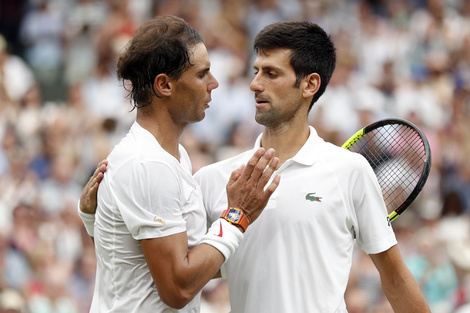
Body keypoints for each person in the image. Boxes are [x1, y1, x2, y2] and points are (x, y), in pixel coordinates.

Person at [81, 20, 430, 312]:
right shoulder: (213, 180)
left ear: (310, 84)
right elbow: (171, 268)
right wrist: (100, 215)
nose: (254, 84)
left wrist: (95, 217)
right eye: (256, 71)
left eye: (271, 73)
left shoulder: (349, 171)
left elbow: (396, 279)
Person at [77, 15, 281, 313]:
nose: (214, 83)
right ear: (165, 85)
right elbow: (178, 287)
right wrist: (237, 215)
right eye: (202, 74)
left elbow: (134, 256)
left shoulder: (170, 157)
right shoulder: (148, 164)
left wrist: (93, 220)